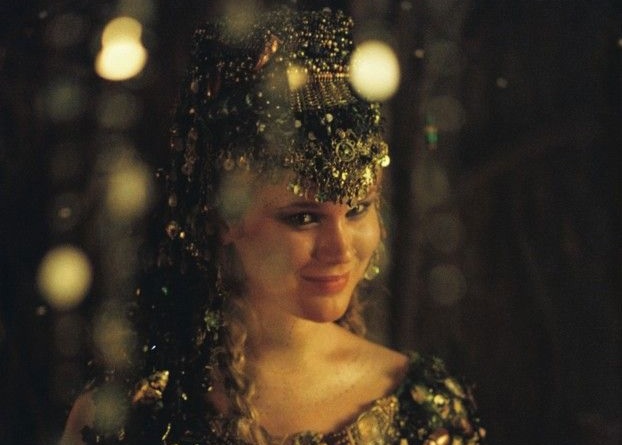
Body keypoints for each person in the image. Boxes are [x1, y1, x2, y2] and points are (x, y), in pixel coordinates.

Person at [61, 7, 486, 445]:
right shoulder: (133, 410)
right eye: (303, 218)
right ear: (222, 217)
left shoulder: (422, 409)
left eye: (358, 210)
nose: (339, 248)